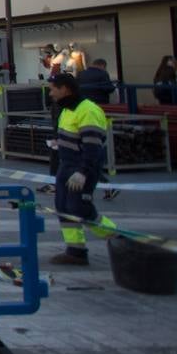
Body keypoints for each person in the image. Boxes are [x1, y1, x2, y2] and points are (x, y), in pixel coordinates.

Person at [47, 73, 117, 265]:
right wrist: (58, 143)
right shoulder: (67, 109)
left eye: (53, 89)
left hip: (80, 167)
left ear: (65, 89)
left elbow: (92, 146)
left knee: (81, 208)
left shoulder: (88, 110)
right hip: (66, 165)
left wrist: (83, 171)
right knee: (64, 207)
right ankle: (75, 251)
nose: (50, 93)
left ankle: (117, 238)